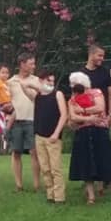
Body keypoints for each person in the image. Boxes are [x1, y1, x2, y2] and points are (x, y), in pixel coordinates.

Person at [67, 72, 111, 205]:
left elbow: (100, 107)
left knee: (106, 161)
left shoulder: (96, 92)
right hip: (82, 132)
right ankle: (91, 196)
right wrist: (88, 117)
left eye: (74, 83)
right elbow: (73, 117)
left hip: (99, 131)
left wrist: (83, 111)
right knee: (86, 164)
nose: (72, 86)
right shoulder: (72, 99)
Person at [7, 53, 42, 192]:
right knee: (16, 152)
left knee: (34, 152)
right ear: (22, 64)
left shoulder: (37, 80)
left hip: (33, 120)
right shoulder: (11, 82)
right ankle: (19, 185)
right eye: (31, 63)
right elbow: (5, 100)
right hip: (16, 121)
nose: (34, 66)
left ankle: (36, 184)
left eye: (34, 63)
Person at [33, 69, 68, 203]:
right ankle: (50, 195)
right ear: (41, 80)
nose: (51, 83)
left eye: (53, 81)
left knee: (55, 168)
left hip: (53, 136)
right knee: (45, 168)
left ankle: (60, 197)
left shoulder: (57, 94)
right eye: (49, 80)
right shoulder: (38, 96)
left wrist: (56, 133)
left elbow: (64, 115)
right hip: (39, 136)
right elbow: (27, 88)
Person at [82, 45, 111, 118]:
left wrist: (110, 114)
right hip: (86, 116)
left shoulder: (106, 72)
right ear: (91, 55)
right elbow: (76, 96)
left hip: (103, 116)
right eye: (99, 56)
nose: (102, 59)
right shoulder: (80, 74)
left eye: (103, 56)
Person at [0, 65, 14, 150]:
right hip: (3, 103)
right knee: (13, 113)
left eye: (7, 73)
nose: (5, 75)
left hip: (10, 102)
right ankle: (7, 130)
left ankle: (8, 131)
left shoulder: (8, 83)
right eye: (3, 72)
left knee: (13, 115)